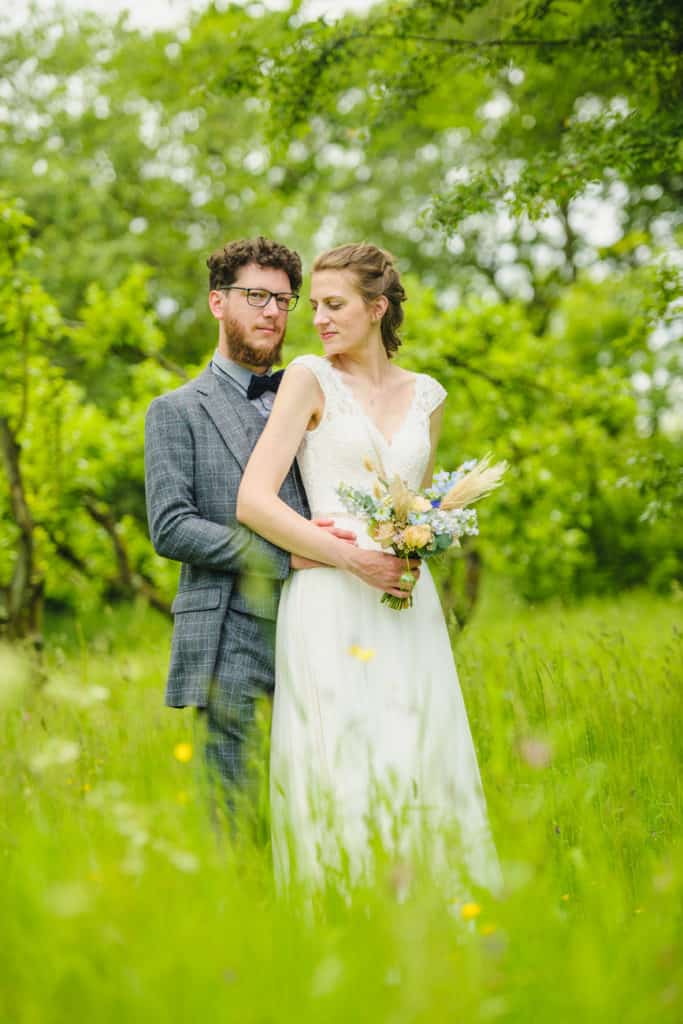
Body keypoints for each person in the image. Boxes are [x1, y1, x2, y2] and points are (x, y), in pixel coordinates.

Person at [237, 243, 502, 894]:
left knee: (417, 746)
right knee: (342, 760)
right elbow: (253, 501)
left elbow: (415, 500)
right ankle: (342, 917)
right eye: (314, 307)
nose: (318, 319)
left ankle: (436, 917)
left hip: (407, 605)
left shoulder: (428, 396)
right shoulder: (307, 376)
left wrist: (420, 541)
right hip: (328, 595)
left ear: (376, 308)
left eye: (334, 306)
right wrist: (352, 558)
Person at [144, 237, 416, 802]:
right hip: (231, 636)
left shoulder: (321, 389)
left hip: (332, 627)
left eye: (284, 301)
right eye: (256, 296)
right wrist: (285, 556)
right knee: (237, 816)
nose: (272, 312)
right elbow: (171, 527)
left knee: (332, 801)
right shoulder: (176, 411)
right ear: (218, 302)